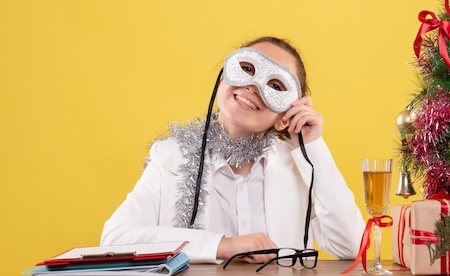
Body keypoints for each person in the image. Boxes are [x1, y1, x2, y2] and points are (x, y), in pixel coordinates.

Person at [100, 36, 365, 264]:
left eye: (276, 86)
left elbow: (353, 247)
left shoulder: (300, 166)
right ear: (223, 77)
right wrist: (222, 245)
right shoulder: (171, 155)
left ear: (287, 113)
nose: (254, 86)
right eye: (246, 68)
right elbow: (114, 239)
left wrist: (312, 148)